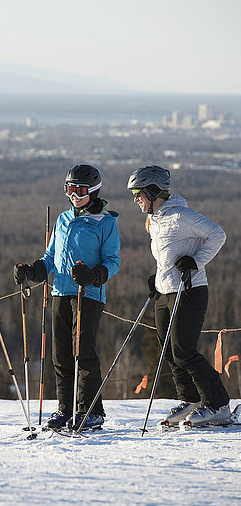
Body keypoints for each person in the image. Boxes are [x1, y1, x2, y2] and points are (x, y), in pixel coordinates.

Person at [13, 164, 121, 431]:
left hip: (88, 294)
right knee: (60, 355)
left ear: (93, 191)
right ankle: (66, 408)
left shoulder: (105, 222)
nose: (74, 194)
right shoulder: (62, 219)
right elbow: (51, 257)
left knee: (82, 352)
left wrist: (94, 275)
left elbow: (113, 261)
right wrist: (33, 270)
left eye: (80, 190)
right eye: (70, 189)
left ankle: (90, 411)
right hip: (60, 292)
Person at [127, 165, 230, 426]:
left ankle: (218, 404)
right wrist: (157, 277)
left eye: (138, 193)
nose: (136, 199)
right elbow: (167, 256)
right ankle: (191, 399)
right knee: (169, 352)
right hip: (165, 292)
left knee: (184, 351)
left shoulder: (182, 215)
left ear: (153, 191)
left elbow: (218, 234)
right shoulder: (155, 220)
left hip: (190, 290)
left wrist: (196, 261)